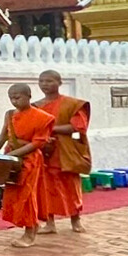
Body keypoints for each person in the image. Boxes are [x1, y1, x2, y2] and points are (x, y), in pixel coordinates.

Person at [0, 84, 56, 248]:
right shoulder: (9, 115)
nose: (14, 101)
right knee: (14, 194)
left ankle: (30, 232)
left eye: (18, 97)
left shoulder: (41, 117)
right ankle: (26, 226)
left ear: (29, 96)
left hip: (29, 160)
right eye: (11, 98)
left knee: (27, 195)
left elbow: (38, 143)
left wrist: (15, 154)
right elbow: (3, 136)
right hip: (11, 160)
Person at [35, 70, 91, 234]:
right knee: (46, 187)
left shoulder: (71, 104)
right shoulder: (36, 106)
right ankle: (49, 223)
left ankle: (76, 220)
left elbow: (77, 126)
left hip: (66, 150)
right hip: (44, 150)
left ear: (59, 82)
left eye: (49, 81)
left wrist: (50, 129)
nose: (45, 84)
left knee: (70, 185)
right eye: (42, 81)